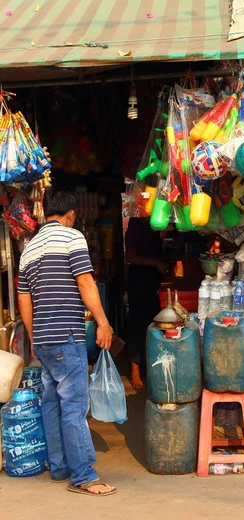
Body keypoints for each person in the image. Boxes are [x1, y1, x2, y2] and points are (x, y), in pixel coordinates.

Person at [17, 188, 116, 497]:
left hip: (44, 339)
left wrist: (34, 338)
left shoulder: (29, 248)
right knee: (74, 406)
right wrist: (103, 321)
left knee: (51, 403)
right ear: (71, 214)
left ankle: (59, 467)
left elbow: (24, 299)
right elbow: (85, 281)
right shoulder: (72, 238)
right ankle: (85, 475)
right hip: (66, 335)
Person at [125, 216, 166, 389]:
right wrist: (156, 263)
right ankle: (135, 370)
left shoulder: (154, 223)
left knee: (155, 324)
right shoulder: (135, 225)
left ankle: (152, 367)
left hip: (152, 282)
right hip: (139, 282)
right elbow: (131, 257)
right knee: (138, 325)